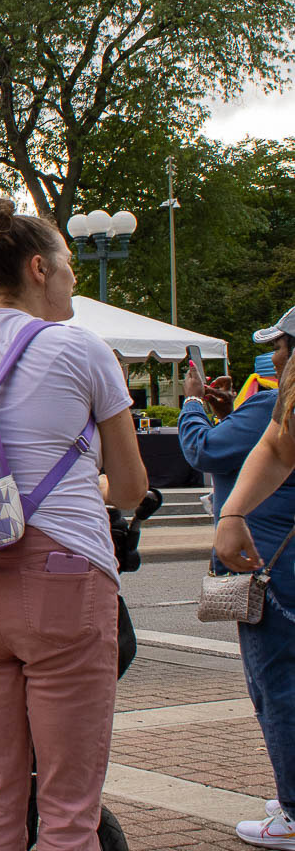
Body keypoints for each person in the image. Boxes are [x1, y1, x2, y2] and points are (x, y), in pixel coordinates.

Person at [0, 192, 147, 851]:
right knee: (69, 809)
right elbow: (130, 487)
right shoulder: (83, 349)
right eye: (68, 265)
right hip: (63, 574)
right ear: (40, 269)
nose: (73, 279)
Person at [207, 305, 295, 846]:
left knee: (279, 684)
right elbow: (277, 445)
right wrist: (234, 514)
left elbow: (265, 446)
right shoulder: (278, 399)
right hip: (273, 554)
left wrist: (233, 514)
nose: (275, 357)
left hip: (279, 563)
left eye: (282, 346)